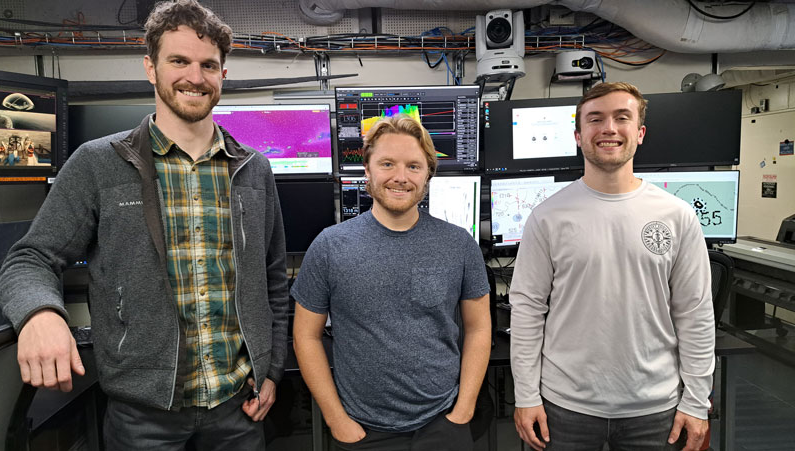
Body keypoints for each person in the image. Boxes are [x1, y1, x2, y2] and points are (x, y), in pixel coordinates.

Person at [0, 0, 289, 448]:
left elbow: (272, 281)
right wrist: (39, 314)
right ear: (151, 68)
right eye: (179, 61)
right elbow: (29, 259)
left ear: (222, 76)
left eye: (208, 64)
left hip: (239, 408)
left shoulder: (253, 170)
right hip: (142, 419)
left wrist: (270, 371)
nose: (195, 76)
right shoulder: (98, 164)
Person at [510, 82, 715, 451]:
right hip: (565, 407)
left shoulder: (677, 216)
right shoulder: (547, 217)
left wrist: (697, 400)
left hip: (656, 408)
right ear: (578, 135)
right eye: (595, 119)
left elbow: (695, 314)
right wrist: (526, 396)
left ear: (639, 132)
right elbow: (527, 313)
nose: (609, 128)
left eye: (622, 118)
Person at [291, 115, 491, 451]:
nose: (400, 177)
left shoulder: (458, 244)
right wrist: (336, 419)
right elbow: (305, 335)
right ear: (367, 170)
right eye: (387, 164)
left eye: (414, 166)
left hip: (442, 422)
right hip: (363, 431)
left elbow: (479, 328)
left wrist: (464, 409)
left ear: (428, 174)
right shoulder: (329, 246)